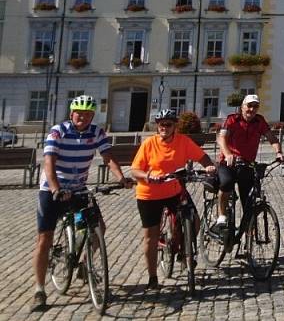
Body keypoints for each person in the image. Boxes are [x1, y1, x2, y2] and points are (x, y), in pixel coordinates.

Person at [30, 95, 133, 312]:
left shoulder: (96, 132)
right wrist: (56, 188)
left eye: (88, 114)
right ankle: (39, 290)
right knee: (44, 239)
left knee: (98, 229)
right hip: (52, 189)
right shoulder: (58, 131)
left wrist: (121, 178)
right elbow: (49, 160)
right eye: (80, 114)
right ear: (71, 114)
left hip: (79, 189)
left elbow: (108, 156)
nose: (83, 118)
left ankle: (84, 264)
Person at [129, 109, 216, 290]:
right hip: (150, 194)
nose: (164, 128)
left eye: (168, 124)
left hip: (174, 190)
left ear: (174, 126)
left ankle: (185, 248)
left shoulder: (183, 141)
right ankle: (153, 277)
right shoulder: (149, 144)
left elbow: (202, 156)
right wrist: (147, 176)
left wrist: (209, 167)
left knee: (195, 220)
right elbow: (134, 171)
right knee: (150, 237)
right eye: (161, 124)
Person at [214, 94, 283, 233]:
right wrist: (228, 154)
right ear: (242, 107)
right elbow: (221, 138)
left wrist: (279, 152)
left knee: (249, 200)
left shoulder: (259, 121)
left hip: (247, 164)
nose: (251, 109)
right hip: (228, 163)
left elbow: (272, 138)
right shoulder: (232, 119)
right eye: (249, 106)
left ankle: (248, 235)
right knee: (226, 183)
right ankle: (221, 216)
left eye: (255, 106)